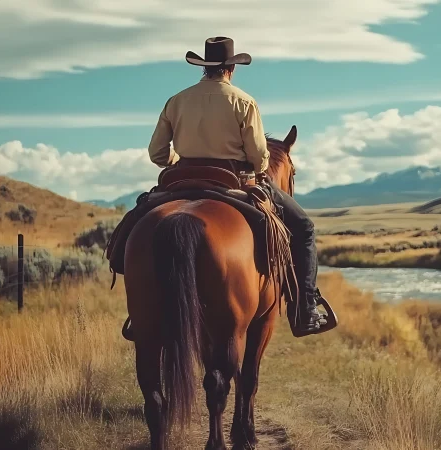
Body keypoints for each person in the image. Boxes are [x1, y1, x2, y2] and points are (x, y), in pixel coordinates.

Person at [139, 36, 327, 337]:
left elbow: (157, 154)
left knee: (137, 220)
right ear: (231, 68)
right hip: (233, 178)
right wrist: (259, 167)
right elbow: (258, 156)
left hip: (181, 177)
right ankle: (305, 311)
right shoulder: (244, 101)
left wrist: (180, 158)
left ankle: (141, 314)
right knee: (304, 228)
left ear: (203, 67)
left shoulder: (176, 101)